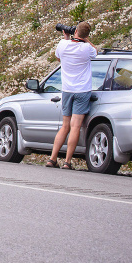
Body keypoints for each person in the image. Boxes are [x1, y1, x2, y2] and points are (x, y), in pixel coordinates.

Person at [47, 22, 98, 169]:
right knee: (75, 127)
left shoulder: (63, 44)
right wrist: (86, 39)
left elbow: (59, 59)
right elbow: (95, 52)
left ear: (75, 31)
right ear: (87, 35)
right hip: (82, 90)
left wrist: (67, 38)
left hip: (67, 89)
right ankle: (67, 162)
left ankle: (52, 158)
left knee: (65, 126)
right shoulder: (87, 48)